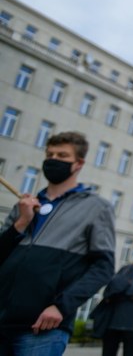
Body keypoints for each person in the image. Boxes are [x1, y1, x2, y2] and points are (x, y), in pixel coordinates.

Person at [0, 130, 116, 355]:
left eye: (62, 156)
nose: (53, 160)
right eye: (49, 154)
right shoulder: (24, 205)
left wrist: (61, 306)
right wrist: (22, 223)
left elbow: (103, 267)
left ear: (78, 164)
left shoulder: (96, 207)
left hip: (44, 327)